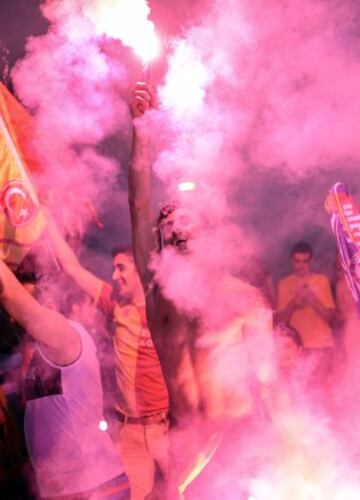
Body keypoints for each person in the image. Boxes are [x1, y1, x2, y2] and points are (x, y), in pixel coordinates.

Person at [128, 82, 277, 498]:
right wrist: (140, 130)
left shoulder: (244, 298)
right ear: (160, 238)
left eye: (188, 219)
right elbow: (138, 206)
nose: (177, 226)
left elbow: (271, 384)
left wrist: (293, 445)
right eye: (169, 223)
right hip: (185, 441)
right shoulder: (157, 290)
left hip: (239, 441)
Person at [46, 219, 169, 500]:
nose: (114, 275)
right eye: (114, 268)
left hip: (166, 428)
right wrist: (46, 218)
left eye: (121, 267)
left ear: (141, 270)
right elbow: (72, 267)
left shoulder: (165, 309)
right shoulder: (115, 302)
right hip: (130, 432)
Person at [0, 259, 129, 499]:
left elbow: (9, 293)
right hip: (63, 491)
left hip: (95, 487)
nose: (15, 319)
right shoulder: (32, 351)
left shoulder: (67, 335)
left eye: (34, 300)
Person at [276, 241, 335, 366]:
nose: (301, 265)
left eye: (305, 261)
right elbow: (280, 323)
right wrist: (294, 303)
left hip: (322, 345)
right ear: (292, 261)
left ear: (311, 262)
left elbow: (330, 319)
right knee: (300, 385)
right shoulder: (284, 284)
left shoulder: (322, 281)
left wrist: (312, 299)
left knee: (326, 385)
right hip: (296, 349)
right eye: (297, 261)